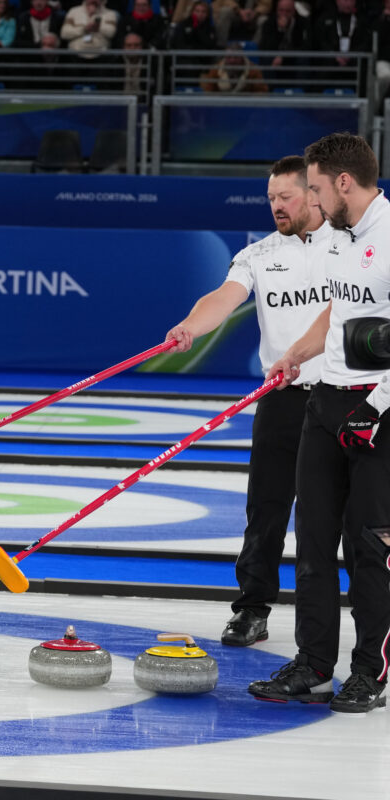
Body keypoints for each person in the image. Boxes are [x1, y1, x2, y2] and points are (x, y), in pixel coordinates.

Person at [166, 156, 329, 650]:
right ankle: (252, 609)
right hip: (279, 399)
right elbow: (223, 296)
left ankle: (351, 620)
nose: (276, 206)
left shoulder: (349, 247)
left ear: (314, 194)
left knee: (341, 517)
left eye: (286, 196)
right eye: (271, 198)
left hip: (340, 396)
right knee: (265, 508)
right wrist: (190, 327)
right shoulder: (258, 254)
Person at [254, 132, 390, 714]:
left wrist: (377, 406)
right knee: (311, 543)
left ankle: (369, 672)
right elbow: (339, 308)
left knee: (371, 550)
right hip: (325, 403)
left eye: (312, 188)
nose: (307, 201)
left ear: (341, 183)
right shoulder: (334, 235)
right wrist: (301, 352)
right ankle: (313, 664)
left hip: (381, 410)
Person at [200, 43, 269, 92]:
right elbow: (209, 91)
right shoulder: (215, 70)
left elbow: (261, 91)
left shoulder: (253, 71)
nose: (232, 60)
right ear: (225, 57)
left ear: (242, 58)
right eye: (229, 57)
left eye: (236, 57)